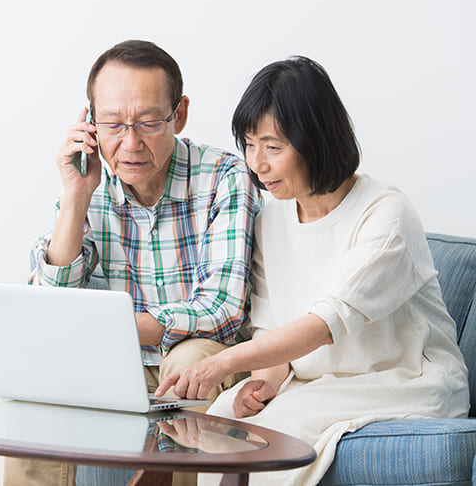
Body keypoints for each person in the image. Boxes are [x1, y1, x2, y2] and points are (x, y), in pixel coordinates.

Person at [155, 56, 469, 485]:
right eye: (249, 144)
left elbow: (326, 322)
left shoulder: (384, 212)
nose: (257, 164)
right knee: (222, 419)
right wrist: (263, 383)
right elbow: (270, 329)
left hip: (402, 377)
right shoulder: (272, 219)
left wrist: (221, 364)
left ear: (315, 139)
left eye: (273, 146)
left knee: (276, 436)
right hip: (315, 383)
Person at [6, 40, 262, 486]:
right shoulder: (91, 185)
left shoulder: (225, 176)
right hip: (111, 359)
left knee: (186, 362)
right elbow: (48, 311)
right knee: (39, 384)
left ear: (178, 115)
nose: (130, 143)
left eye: (148, 123)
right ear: (89, 122)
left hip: (200, 352)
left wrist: (111, 325)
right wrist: (75, 198)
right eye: (113, 124)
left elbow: (222, 311)